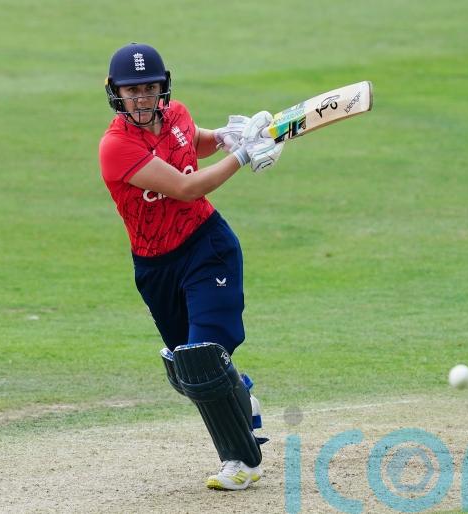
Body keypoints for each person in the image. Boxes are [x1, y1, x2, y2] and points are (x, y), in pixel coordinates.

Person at [98, 43, 284, 491]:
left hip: (207, 248)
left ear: (163, 87)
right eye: (132, 91)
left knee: (202, 358)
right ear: (114, 93)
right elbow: (185, 186)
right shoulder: (116, 147)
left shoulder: (177, 112)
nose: (142, 99)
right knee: (189, 373)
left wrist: (225, 136)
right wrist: (242, 157)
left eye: (150, 88)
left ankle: (241, 462)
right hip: (155, 267)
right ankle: (242, 396)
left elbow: (190, 143)